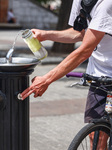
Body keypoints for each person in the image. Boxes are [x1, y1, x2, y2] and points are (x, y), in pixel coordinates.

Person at [20, 0, 112, 149]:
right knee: (96, 135)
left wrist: (47, 79)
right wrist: (46, 35)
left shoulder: (106, 3)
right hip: (99, 74)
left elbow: (84, 51)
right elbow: (80, 33)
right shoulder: (81, 1)